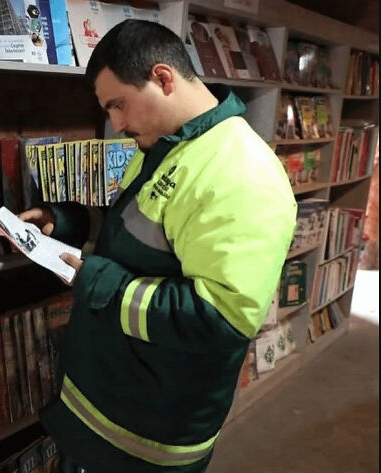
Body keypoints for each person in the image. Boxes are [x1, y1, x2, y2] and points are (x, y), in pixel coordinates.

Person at [19, 20, 296, 473]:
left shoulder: (244, 173)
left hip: (148, 440)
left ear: (163, 78)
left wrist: (97, 282)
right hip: (109, 414)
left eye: (119, 104)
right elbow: (131, 233)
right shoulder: (170, 146)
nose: (117, 123)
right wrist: (66, 222)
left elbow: (219, 320)